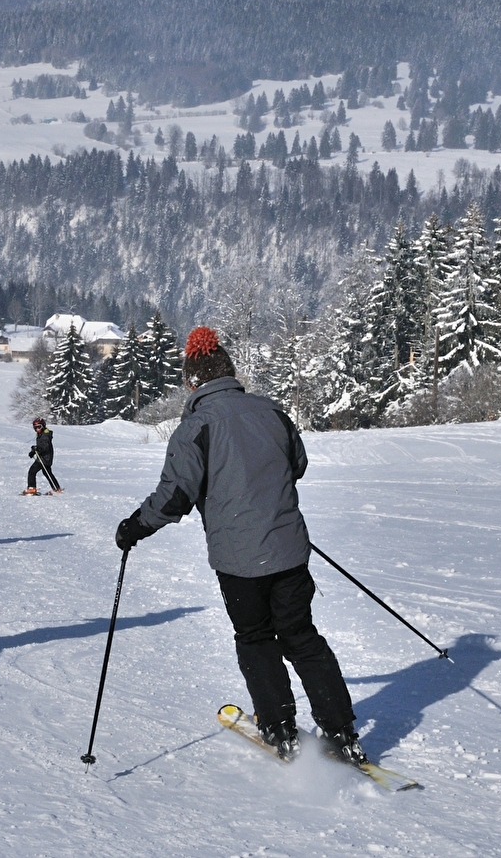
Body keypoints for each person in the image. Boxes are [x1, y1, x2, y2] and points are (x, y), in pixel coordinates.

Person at [113, 326, 365, 764]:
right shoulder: (272, 413)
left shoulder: (196, 427)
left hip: (239, 559)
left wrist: (135, 527)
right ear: (229, 371)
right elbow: (297, 465)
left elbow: (175, 496)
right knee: (301, 636)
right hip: (288, 550)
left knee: (255, 636)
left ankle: (280, 728)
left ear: (192, 382)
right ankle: (342, 732)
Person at [25, 417, 61, 494]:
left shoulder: (45, 435)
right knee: (47, 473)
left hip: (44, 458)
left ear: (43, 426)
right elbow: (41, 447)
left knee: (32, 471)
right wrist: (33, 451)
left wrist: (36, 449)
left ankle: (32, 488)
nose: (37, 429)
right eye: (35, 428)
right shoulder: (41, 434)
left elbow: (45, 447)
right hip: (46, 458)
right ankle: (56, 488)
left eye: (39, 427)